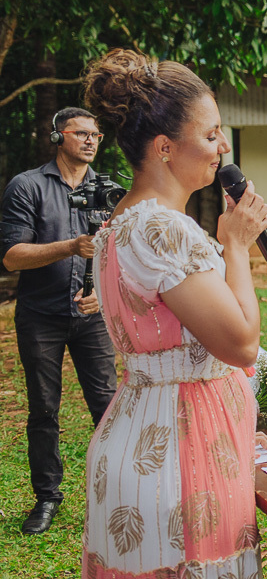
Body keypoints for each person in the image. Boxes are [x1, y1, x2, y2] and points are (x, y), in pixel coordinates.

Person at [81, 48, 267, 577]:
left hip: (141, 430)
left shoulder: (119, 223)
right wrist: (234, 247)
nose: (223, 147)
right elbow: (241, 343)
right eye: (211, 135)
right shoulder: (163, 228)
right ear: (166, 147)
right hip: (180, 452)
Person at [0, 107, 118, 534]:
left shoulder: (109, 190)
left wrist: (103, 297)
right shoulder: (27, 186)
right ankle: (47, 498)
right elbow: (12, 256)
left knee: (108, 407)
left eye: (97, 135)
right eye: (82, 133)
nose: (91, 140)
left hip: (92, 318)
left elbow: (123, 258)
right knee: (44, 410)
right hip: (41, 317)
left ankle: (119, 491)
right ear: (58, 136)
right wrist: (71, 246)